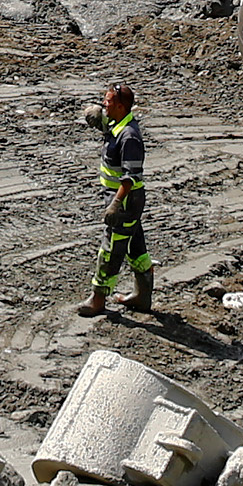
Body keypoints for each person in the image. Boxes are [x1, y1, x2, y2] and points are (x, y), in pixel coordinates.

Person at [76, 83, 152, 318]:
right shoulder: (118, 124)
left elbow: (130, 178)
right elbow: (106, 127)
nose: (104, 104)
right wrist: (96, 118)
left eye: (108, 102)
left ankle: (98, 299)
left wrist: (115, 204)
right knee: (135, 245)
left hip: (126, 200)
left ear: (120, 106)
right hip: (124, 200)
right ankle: (142, 295)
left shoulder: (130, 137)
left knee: (111, 250)